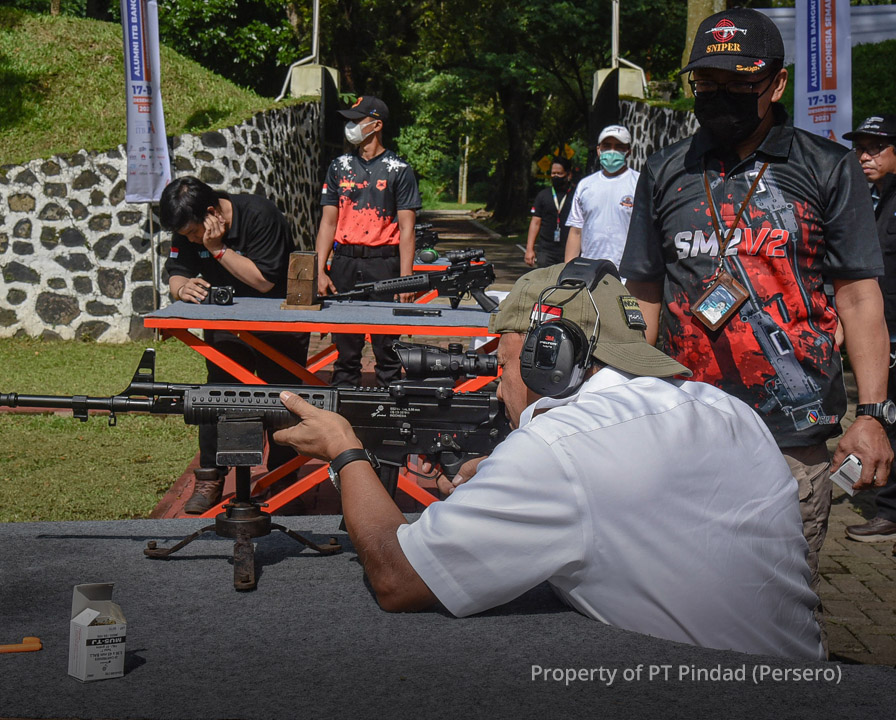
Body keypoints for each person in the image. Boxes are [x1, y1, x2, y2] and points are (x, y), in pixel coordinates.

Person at [274, 260, 824, 660]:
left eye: (506, 364)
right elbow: (631, 507)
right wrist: (500, 479)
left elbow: (399, 580)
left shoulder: (557, 448)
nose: (497, 387)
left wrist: (344, 452)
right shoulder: (726, 409)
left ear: (550, 359)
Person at [619, 8, 894, 591]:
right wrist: (620, 400)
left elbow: (860, 300)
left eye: (741, 83)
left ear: (777, 83)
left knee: (778, 606)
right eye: (709, 83)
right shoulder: (666, 169)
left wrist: (871, 416)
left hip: (791, 440)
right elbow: (642, 295)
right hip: (681, 431)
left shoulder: (827, 166)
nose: (722, 95)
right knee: (678, 598)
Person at [160, 177, 310, 514]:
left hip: (280, 325)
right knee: (217, 397)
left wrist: (217, 250)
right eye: (185, 236)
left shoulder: (260, 215)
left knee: (283, 401)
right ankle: (210, 477)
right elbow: (176, 271)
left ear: (213, 213)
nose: (191, 240)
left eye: (194, 233)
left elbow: (264, 280)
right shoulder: (189, 222)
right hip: (226, 326)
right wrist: (181, 287)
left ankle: (284, 479)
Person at [315, 95, 422, 387]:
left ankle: (390, 412)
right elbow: (328, 221)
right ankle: (341, 413)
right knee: (345, 349)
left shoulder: (399, 169)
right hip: (345, 262)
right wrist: (320, 269)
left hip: (384, 265)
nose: (350, 126)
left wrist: (406, 279)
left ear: (376, 125)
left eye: (356, 120)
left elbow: (407, 229)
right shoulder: (339, 167)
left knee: (387, 351)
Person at [842, 115, 896, 543]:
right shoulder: (872, 198)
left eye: (876, 148)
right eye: (860, 147)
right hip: (883, 332)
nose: (864, 156)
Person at [563, 126, 639, 270]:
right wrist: (568, 270)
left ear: (628, 151)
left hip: (626, 274)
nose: (612, 151)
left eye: (619, 147)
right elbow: (576, 231)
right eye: (607, 146)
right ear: (598, 150)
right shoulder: (585, 185)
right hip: (588, 270)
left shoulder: (640, 184)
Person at [524, 156, 575, 268]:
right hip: (546, 251)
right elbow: (535, 222)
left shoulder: (576, 195)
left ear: (568, 174)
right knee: (545, 282)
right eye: (553, 173)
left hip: (569, 250)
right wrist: (529, 249)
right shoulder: (543, 195)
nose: (555, 176)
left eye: (559, 173)